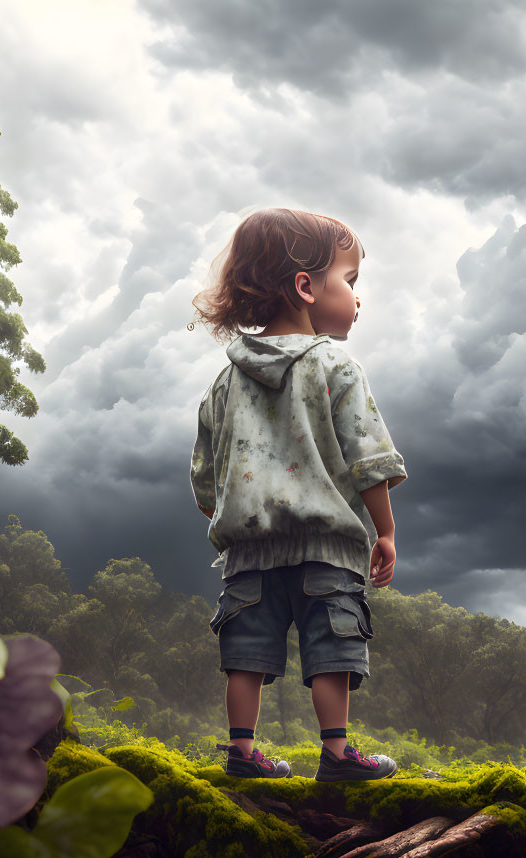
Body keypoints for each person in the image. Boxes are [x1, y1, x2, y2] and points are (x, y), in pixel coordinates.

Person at [189, 208, 406, 781]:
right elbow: (369, 458)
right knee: (332, 644)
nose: (357, 299)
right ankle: (336, 755)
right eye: (350, 281)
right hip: (327, 547)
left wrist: (229, 510)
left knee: (247, 651)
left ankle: (242, 753)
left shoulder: (225, 378)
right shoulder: (336, 365)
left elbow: (205, 476)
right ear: (306, 288)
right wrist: (383, 531)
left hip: (248, 551)